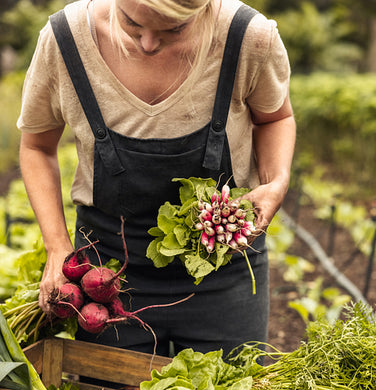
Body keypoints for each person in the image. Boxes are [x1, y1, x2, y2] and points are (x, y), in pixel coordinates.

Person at [17, 0, 296, 358]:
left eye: (173, 29)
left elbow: (274, 118)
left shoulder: (248, 38)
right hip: (107, 274)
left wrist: (276, 182)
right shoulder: (66, 39)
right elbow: (37, 147)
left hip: (224, 267)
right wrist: (57, 247)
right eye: (132, 23)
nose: (148, 44)